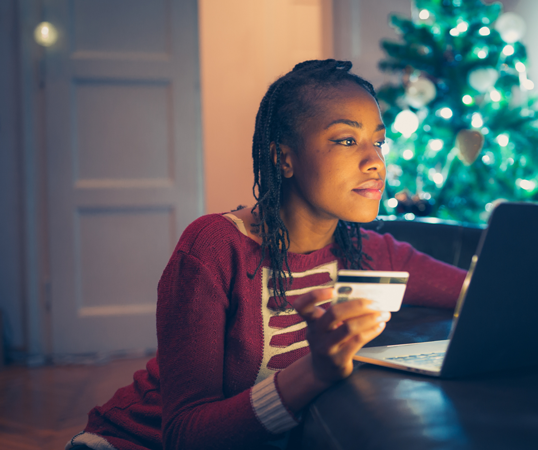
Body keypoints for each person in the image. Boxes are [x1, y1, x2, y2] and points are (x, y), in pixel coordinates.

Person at [66, 59, 467, 450]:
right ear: (283, 157)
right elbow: (184, 435)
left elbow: (478, 294)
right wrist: (316, 371)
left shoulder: (369, 251)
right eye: (347, 140)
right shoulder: (214, 248)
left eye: (378, 142)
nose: (375, 162)